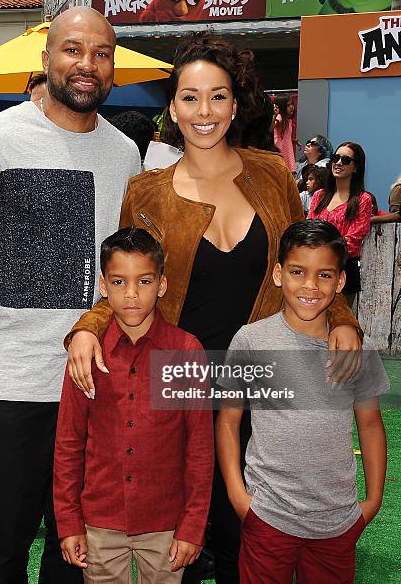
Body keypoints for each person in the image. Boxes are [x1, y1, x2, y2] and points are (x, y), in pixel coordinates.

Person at [65, 33, 362, 584]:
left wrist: (341, 317)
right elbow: (130, 275)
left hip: (262, 378)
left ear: (236, 101)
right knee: (175, 539)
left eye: (218, 96)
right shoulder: (145, 190)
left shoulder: (272, 173)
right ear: (172, 107)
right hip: (177, 382)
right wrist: (87, 327)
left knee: (243, 537)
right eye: (190, 97)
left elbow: (307, 263)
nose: (205, 112)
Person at [0, 7, 141, 583]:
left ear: (113, 67)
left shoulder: (126, 155)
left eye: (101, 53)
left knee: (78, 551)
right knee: (2, 544)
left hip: (97, 386)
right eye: (73, 49)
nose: (87, 64)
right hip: (10, 388)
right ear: (46, 58)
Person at [216, 220, 389, 584]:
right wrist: (237, 495)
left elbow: (370, 424)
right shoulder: (251, 341)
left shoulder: (358, 349)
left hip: (337, 521)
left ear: (340, 282)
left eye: (324, 275)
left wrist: (372, 500)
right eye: (298, 272)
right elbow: (229, 420)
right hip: (267, 516)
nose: (310, 286)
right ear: (279, 274)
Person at [54, 227, 213, 583]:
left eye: (143, 281)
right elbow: (68, 444)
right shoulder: (87, 354)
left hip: (166, 524)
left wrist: (192, 526)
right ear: (102, 285)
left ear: (162, 285)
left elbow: (199, 449)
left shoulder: (184, 352)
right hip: (99, 520)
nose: (131, 294)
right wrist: (68, 522)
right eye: (118, 281)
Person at [308, 142, 372, 308]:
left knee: (339, 324)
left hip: (344, 270)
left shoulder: (363, 200)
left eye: (345, 160)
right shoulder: (319, 196)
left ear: (356, 167)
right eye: (336, 158)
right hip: (314, 266)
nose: (338, 163)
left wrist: (323, 251)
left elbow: (354, 238)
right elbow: (309, 229)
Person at [271, 93, 296, 174]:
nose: (291, 107)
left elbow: (285, 137)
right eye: (288, 105)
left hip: (287, 148)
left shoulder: (289, 120)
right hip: (280, 148)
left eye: (292, 104)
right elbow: (272, 127)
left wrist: (293, 140)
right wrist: (274, 115)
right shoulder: (280, 117)